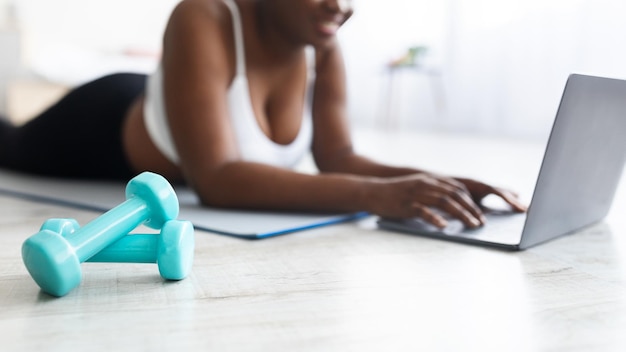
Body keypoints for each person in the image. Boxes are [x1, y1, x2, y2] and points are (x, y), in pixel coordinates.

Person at [0, 0, 526, 229]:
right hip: (99, 125)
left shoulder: (322, 42)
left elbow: (338, 155)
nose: (338, 6)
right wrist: (376, 197)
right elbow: (218, 180)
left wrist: (437, 183)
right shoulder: (203, 15)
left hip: (176, 99)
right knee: (7, 141)